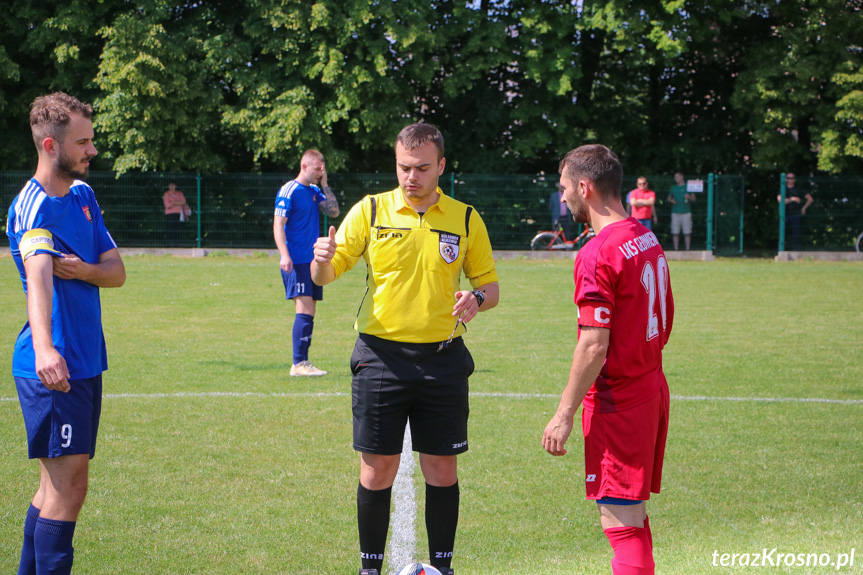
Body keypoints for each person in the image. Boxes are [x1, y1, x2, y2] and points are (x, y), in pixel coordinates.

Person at [311, 123, 500, 575]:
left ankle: (443, 568)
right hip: (380, 359)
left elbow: (490, 288)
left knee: (442, 471)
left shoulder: (466, 218)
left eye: (421, 168)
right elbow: (327, 274)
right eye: (403, 167)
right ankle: (370, 569)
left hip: (443, 360)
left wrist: (475, 300)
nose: (410, 176)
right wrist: (320, 261)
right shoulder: (371, 211)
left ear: (441, 166)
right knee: (376, 471)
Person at [7, 92, 126, 575]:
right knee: (69, 490)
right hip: (54, 368)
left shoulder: (83, 197)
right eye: (84, 142)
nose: (92, 150)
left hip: (85, 360)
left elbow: (115, 271)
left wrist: (80, 270)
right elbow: (37, 277)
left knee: (53, 489)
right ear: (51, 145)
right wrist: (44, 348)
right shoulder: (32, 207)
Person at [542, 144, 673, 574]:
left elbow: (593, 345)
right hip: (650, 385)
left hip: (621, 401)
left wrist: (563, 414)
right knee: (631, 514)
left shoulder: (597, 253)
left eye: (564, 188)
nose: (562, 197)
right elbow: (665, 316)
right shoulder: (645, 235)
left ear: (585, 186)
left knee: (619, 518)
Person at [274, 149, 340, 377]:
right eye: (317, 169)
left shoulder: (314, 190)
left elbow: (334, 212)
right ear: (304, 166)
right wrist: (284, 255)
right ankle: (298, 363)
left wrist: (325, 185)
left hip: (312, 261)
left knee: (310, 310)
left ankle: (303, 362)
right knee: (304, 309)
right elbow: (278, 224)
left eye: (323, 169)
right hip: (296, 259)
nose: (321, 173)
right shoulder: (289, 189)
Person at [777, 172, 813, 251]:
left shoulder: (798, 189)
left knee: (796, 234)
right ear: (786, 179)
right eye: (789, 178)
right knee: (782, 233)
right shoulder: (783, 189)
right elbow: (780, 200)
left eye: (792, 178)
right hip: (785, 214)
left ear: (794, 179)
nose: (790, 180)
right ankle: (781, 250)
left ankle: (796, 250)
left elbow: (810, 199)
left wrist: (804, 208)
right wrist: (792, 199)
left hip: (796, 214)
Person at [667, 172, 696, 250]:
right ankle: (676, 249)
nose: (675, 178)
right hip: (675, 212)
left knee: (687, 232)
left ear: (682, 177)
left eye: (677, 177)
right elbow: (669, 199)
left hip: (686, 212)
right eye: (675, 177)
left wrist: (688, 197)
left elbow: (694, 198)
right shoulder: (673, 188)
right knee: (675, 232)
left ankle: (687, 249)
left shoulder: (688, 187)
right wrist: (672, 201)